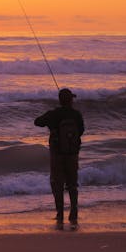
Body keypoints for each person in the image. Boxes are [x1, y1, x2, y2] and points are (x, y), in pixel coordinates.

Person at [34, 88, 84, 230]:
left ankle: (60, 213)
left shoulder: (53, 114)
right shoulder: (76, 114)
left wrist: (51, 123)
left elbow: (37, 122)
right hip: (72, 154)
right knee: (72, 184)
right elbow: (81, 130)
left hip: (57, 154)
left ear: (60, 100)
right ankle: (74, 212)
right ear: (70, 100)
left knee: (57, 184)